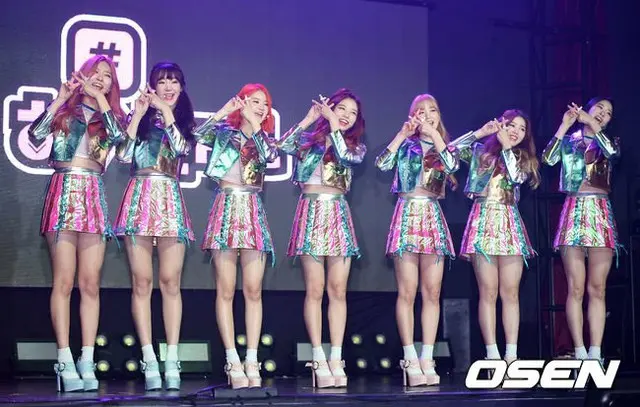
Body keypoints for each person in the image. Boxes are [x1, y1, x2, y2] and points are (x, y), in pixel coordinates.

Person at [27, 55, 126, 392]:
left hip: (93, 193)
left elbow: (120, 140)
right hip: (64, 189)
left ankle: (87, 357)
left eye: (107, 76)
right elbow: (35, 135)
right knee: (64, 281)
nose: (100, 79)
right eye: (95, 73)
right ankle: (64, 359)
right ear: (82, 75)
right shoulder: (66, 112)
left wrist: (101, 102)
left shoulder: (111, 117)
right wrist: (60, 99)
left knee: (90, 284)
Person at [114, 62, 196, 391]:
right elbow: (122, 156)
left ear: (181, 87)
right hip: (140, 197)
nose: (168, 87)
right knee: (142, 282)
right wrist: (137, 115)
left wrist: (166, 112)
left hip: (170, 199)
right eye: (162, 82)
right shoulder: (140, 119)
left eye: (174, 81)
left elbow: (181, 148)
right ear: (152, 86)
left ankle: (172, 358)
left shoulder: (184, 121)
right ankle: (149, 358)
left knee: (171, 281)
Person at [277, 89, 366, 388]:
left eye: (352, 113)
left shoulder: (355, 147)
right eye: (341, 109)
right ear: (330, 108)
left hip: (337, 212)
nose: (346, 115)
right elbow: (282, 146)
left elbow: (346, 157)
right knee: (315, 289)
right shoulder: (308, 142)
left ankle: (336, 358)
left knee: (338, 289)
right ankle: (317, 358)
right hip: (311, 211)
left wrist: (335, 127)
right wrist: (309, 119)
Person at [193, 83, 277, 389]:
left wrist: (256, 126)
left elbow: (269, 155)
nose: (260, 107)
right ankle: (232, 359)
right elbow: (196, 136)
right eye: (254, 101)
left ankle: (252, 358)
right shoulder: (224, 134)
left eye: (264, 104)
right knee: (226, 289)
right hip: (226, 206)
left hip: (252, 208)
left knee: (253, 289)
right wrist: (223, 113)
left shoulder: (264, 139)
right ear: (242, 103)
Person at [375, 94, 458, 386]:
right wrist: (402, 134)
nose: (427, 114)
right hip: (407, 213)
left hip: (432, 215)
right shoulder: (405, 145)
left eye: (432, 110)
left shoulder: (444, 146)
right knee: (408, 292)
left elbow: (452, 165)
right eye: (420, 111)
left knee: (432, 292)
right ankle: (409, 357)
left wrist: (435, 135)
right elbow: (382, 164)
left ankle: (427, 357)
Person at [450, 109, 540, 365]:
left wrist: (507, 147)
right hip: (482, 219)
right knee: (487, 292)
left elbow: (515, 177)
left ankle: (511, 356)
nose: (516, 131)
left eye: (522, 128)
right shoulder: (479, 151)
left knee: (510, 293)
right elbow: (449, 151)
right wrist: (481, 133)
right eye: (512, 125)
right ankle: (492, 355)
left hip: (509, 222)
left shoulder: (524, 159)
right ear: (501, 125)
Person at [541, 97, 620, 362]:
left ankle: (596, 352)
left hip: (599, 211)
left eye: (608, 113)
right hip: (573, 210)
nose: (603, 114)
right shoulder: (569, 141)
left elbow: (613, 154)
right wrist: (564, 125)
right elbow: (548, 159)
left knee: (597, 288)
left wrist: (592, 125)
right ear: (587, 108)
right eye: (599, 108)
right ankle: (579, 350)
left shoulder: (609, 141)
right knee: (575, 288)